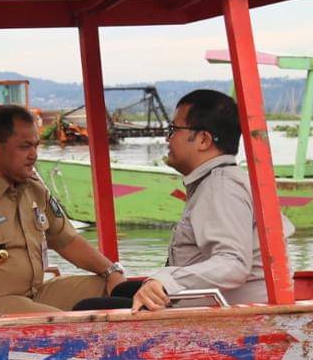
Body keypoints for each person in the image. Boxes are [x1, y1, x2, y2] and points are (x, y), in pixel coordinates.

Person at [76, 89, 290, 312]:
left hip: (231, 313)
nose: (167, 138)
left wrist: (166, 281)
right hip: (209, 299)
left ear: (203, 140)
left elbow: (233, 263)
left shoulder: (221, 187)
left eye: (173, 130)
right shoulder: (217, 180)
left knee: (86, 307)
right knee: (122, 292)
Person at [0, 104, 123, 314]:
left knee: (119, 293)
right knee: (62, 323)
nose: (34, 155)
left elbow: (66, 240)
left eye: (36, 146)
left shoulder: (31, 187)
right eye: (25, 147)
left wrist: (111, 271)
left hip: (34, 293)